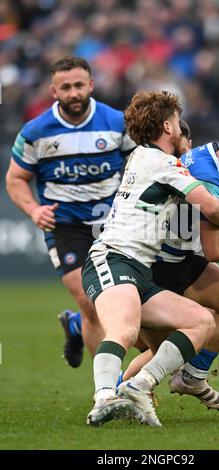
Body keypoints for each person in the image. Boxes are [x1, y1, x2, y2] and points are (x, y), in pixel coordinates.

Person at [82, 90, 219, 427]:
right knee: (124, 328)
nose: (181, 131)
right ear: (167, 126)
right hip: (113, 258)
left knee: (201, 321)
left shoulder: (141, 156)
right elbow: (209, 207)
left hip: (139, 270)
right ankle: (104, 397)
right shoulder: (163, 163)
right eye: (178, 124)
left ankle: (139, 385)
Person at [121, 118, 219, 423]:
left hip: (181, 261)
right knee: (167, 349)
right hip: (158, 269)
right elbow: (215, 250)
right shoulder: (208, 179)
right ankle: (120, 391)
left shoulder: (208, 155)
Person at [6, 56, 136, 368]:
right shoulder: (36, 132)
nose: (74, 93)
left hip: (114, 222)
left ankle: (76, 325)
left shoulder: (118, 122)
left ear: (91, 85)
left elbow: (139, 165)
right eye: (66, 87)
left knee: (128, 298)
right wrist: (33, 210)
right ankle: (108, 388)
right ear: (53, 91)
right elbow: (15, 179)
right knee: (90, 300)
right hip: (65, 225)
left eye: (79, 85)